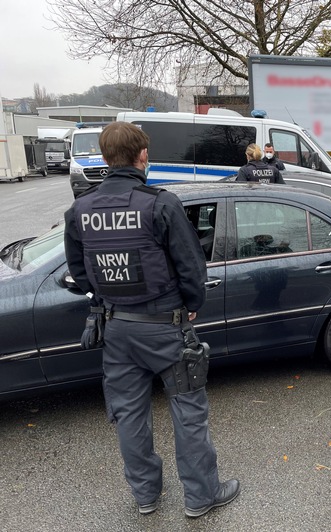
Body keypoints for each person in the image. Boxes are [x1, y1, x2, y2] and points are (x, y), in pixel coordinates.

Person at [63, 122, 239, 518]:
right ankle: (201, 496)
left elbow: (80, 271)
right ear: (143, 156)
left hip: (118, 329)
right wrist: (193, 302)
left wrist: (104, 297)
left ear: (106, 159)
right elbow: (191, 265)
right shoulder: (160, 203)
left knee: (129, 415)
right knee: (188, 411)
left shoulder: (80, 209)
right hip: (165, 327)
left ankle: (145, 496)